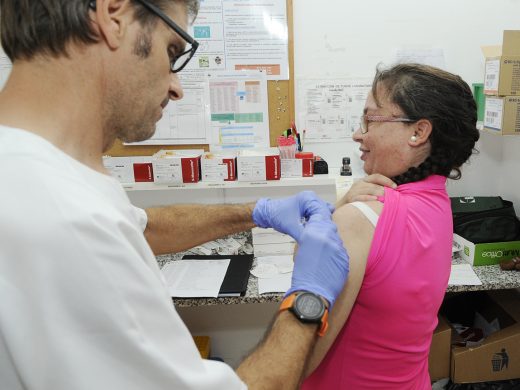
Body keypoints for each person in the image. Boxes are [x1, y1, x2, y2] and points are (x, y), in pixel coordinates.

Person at [0, 1, 350, 389]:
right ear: (113, 15)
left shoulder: (39, 172)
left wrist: (258, 211)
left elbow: (144, 228)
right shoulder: (67, 218)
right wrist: (307, 299)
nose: (177, 87)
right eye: (171, 52)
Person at [302, 63, 480, 389]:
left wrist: (336, 215)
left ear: (418, 132)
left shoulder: (359, 220)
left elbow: (297, 358)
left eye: (370, 119)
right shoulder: (438, 203)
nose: (358, 133)